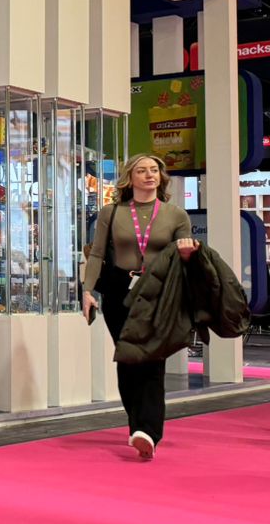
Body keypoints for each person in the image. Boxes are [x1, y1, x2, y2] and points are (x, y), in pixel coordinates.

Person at [82, 153, 197, 461]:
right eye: (142, 170)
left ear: (161, 177)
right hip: (119, 290)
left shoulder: (175, 215)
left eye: (154, 170)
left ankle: (148, 430)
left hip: (158, 290)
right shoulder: (111, 212)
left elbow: (185, 260)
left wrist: (188, 254)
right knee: (128, 358)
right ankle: (137, 424)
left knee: (152, 358)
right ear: (129, 178)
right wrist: (87, 290)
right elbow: (96, 255)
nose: (149, 175)